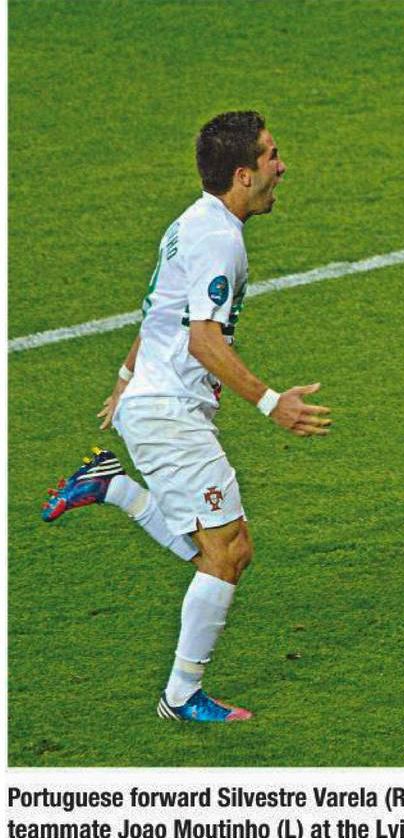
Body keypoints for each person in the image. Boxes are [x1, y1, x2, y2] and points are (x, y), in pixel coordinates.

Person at [42, 111, 332, 719]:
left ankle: (113, 488)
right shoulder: (219, 239)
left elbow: (159, 313)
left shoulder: (190, 223)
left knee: (224, 549)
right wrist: (272, 403)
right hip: (169, 413)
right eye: (272, 156)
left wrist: (125, 381)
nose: (282, 167)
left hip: (158, 403)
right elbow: (202, 340)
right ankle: (180, 696)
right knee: (227, 552)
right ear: (243, 174)